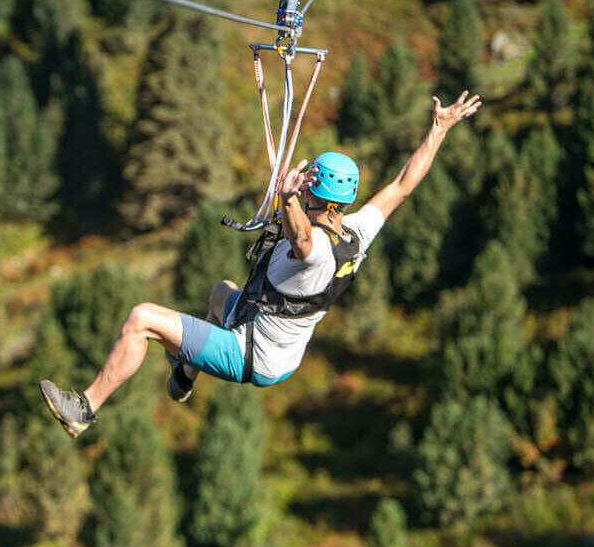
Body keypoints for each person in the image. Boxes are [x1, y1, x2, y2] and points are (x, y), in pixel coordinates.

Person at [39, 90, 483, 438]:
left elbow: (302, 239)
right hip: (277, 349)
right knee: (220, 290)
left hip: (250, 355)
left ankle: (85, 408)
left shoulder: (316, 252)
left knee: (141, 319)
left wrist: (289, 199)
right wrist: (439, 129)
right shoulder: (357, 231)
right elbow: (402, 185)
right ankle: (184, 376)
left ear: (313, 196)